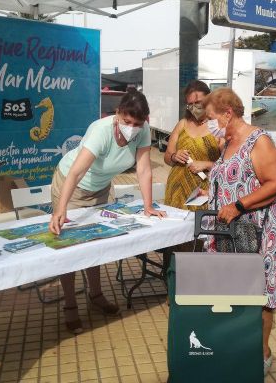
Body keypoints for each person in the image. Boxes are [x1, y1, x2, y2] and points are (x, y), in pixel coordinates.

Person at [49, 88, 166, 334]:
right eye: (127, 121)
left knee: (95, 242)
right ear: (117, 114)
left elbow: (143, 169)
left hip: (100, 188)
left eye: (137, 123)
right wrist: (60, 208)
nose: (132, 127)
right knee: (69, 246)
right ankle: (70, 305)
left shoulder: (142, 131)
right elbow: (76, 172)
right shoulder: (100, 130)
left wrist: (148, 206)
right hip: (72, 186)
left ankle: (96, 295)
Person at [202, 88, 276, 375]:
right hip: (229, 232)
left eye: (212, 117)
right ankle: (237, 343)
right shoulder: (227, 142)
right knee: (233, 289)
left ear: (228, 113)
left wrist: (238, 205)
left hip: (258, 229)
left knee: (260, 293)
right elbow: (233, 176)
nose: (209, 123)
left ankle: (262, 353)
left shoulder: (258, 140)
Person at [164, 80, 220, 210]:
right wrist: (174, 156)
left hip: (203, 192)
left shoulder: (218, 127)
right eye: (190, 104)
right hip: (176, 190)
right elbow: (167, 157)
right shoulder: (182, 124)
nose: (195, 107)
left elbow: (230, 165)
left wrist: (207, 164)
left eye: (198, 102)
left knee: (199, 228)